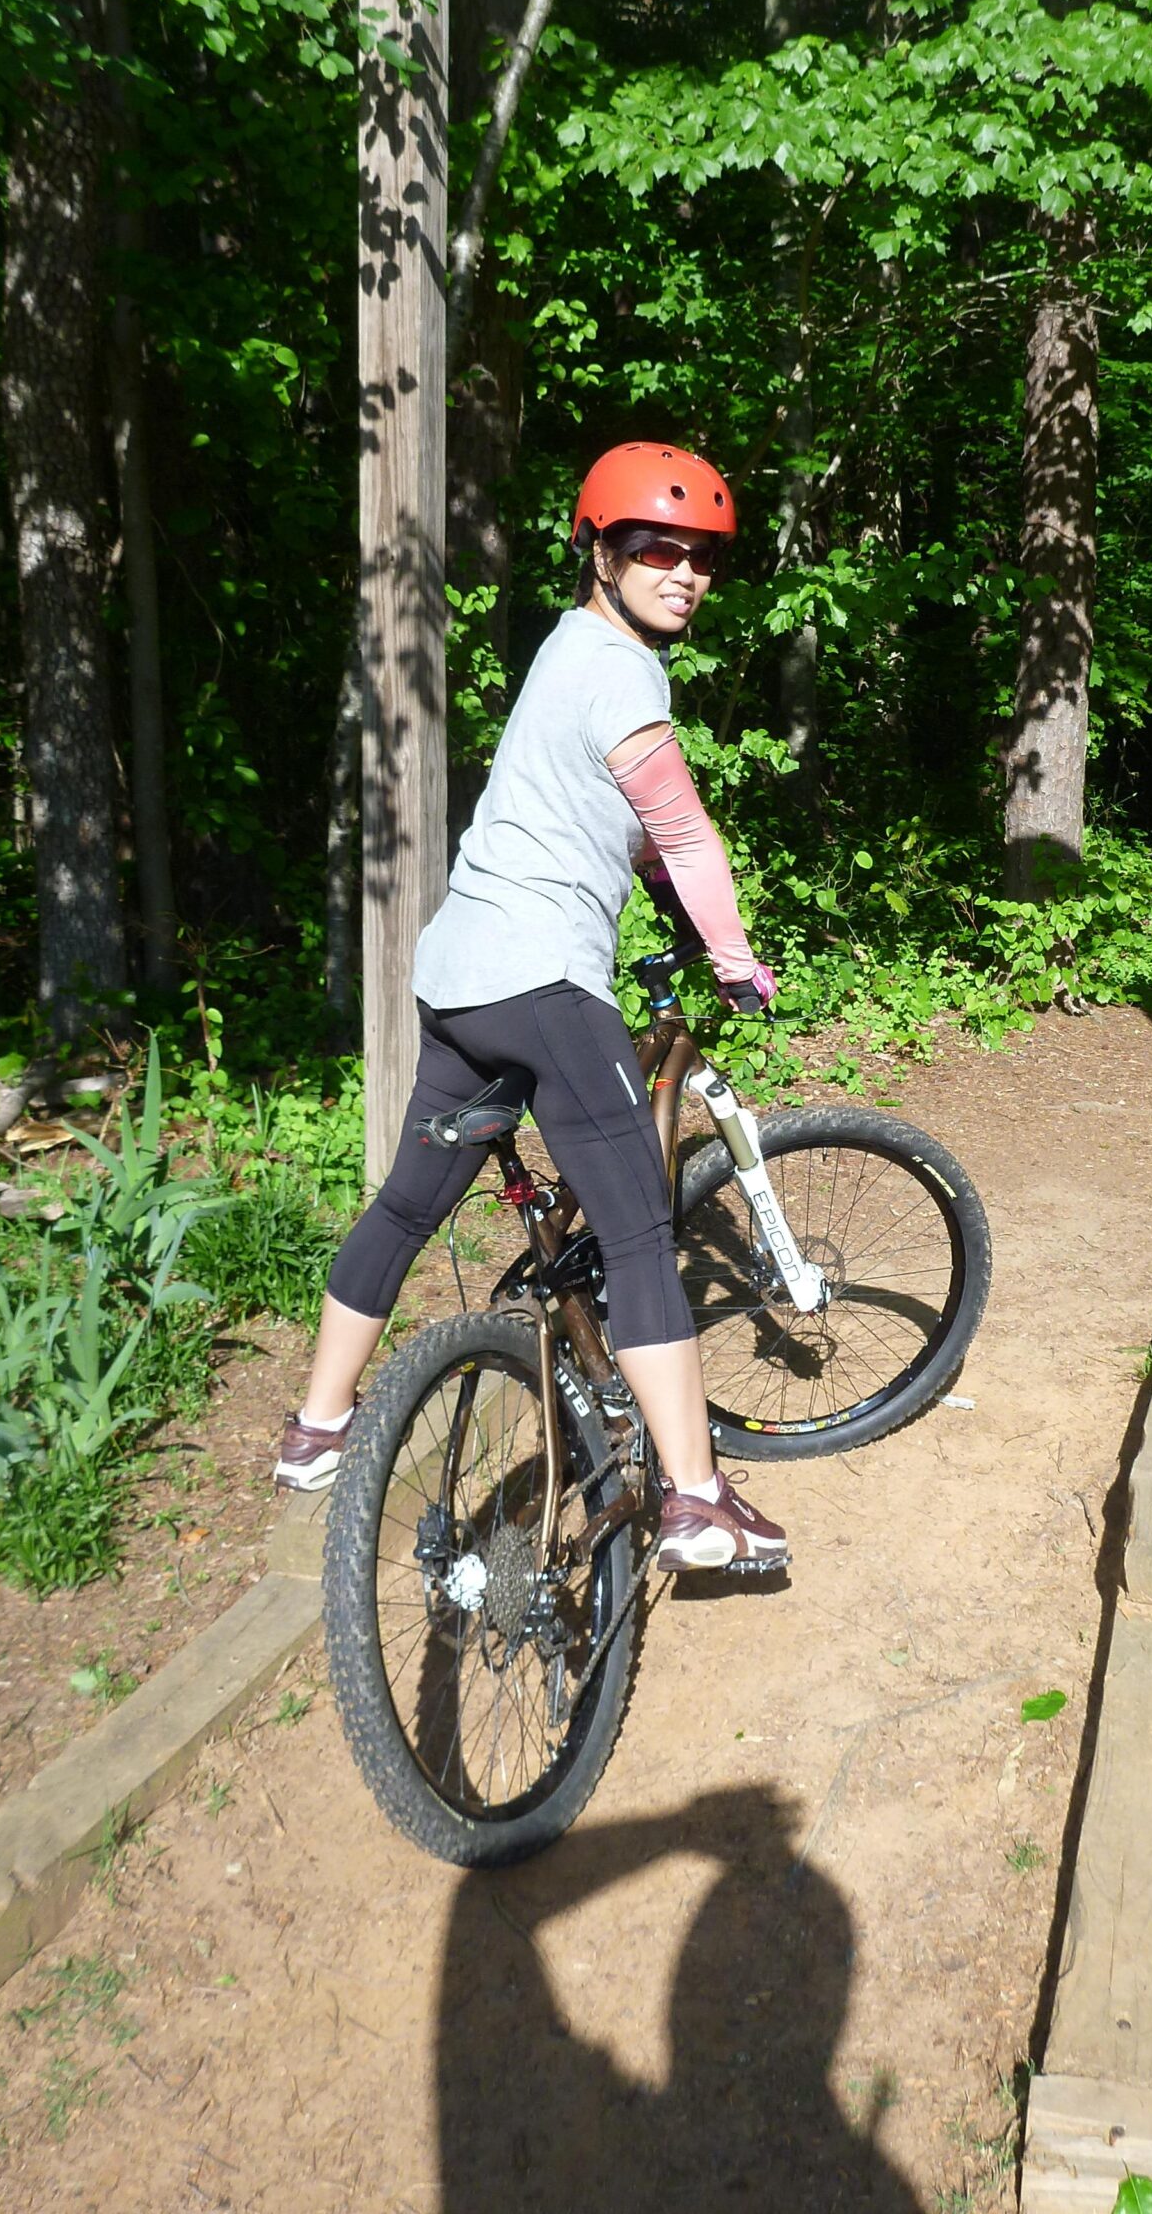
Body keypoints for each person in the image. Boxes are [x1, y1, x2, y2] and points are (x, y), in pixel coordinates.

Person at [272, 441, 788, 1575]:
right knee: (645, 1237)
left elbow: (620, 823)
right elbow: (689, 828)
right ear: (599, 551)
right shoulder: (625, 673)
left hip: (459, 981)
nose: (685, 571)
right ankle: (697, 1499)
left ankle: (319, 1428)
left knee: (407, 1209)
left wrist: (661, 891)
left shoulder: (567, 651)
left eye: (702, 556)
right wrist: (735, 954)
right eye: (657, 548)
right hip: (544, 983)